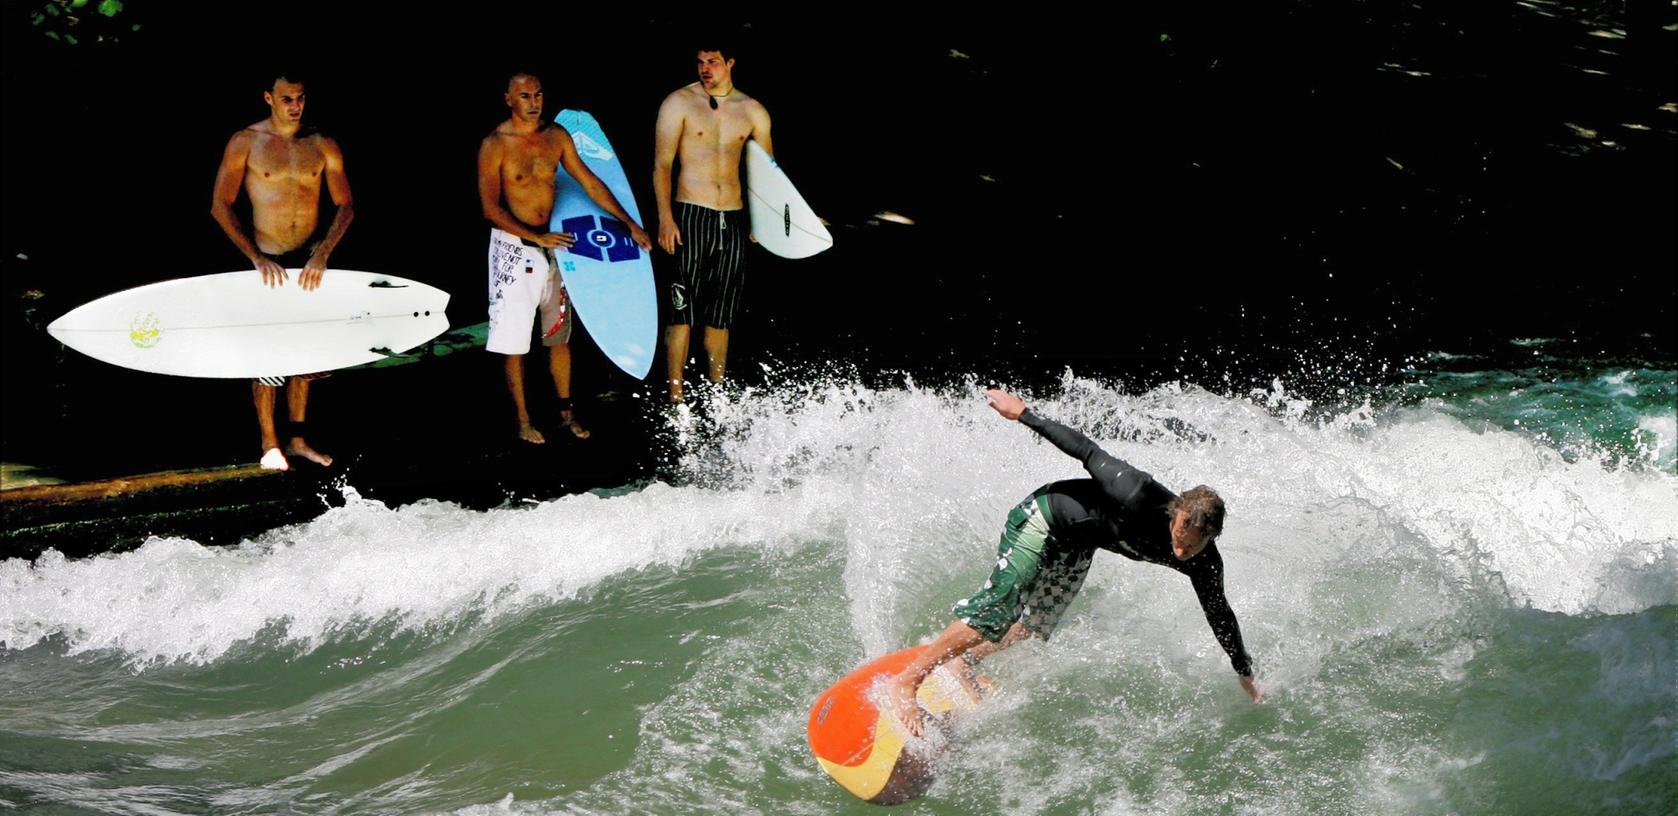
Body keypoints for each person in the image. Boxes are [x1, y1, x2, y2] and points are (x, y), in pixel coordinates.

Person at [888, 389, 1263, 736]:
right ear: (1176, 511)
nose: (1181, 551)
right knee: (997, 613)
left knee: (1031, 629)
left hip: (1078, 545)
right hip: (1043, 517)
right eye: (1179, 538)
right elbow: (1085, 450)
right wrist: (1023, 414)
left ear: (1211, 539)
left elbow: (1220, 613)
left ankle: (962, 660)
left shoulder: (1205, 563)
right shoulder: (1137, 491)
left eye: (1192, 547)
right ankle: (908, 679)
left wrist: (1242, 669)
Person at [479, 72, 651, 443]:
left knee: (558, 335)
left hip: (557, 247)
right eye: (525, 96)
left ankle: (565, 413)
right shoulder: (495, 144)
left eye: (538, 95)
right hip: (514, 249)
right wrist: (536, 236)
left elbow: (589, 182)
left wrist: (629, 224)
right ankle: (523, 420)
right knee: (513, 340)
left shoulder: (556, 136)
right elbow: (490, 208)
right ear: (508, 99)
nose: (534, 102)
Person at [210, 71, 354, 471]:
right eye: (287, 98)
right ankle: (269, 443)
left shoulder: (321, 143)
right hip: (266, 258)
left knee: (306, 354)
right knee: (268, 354)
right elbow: (220, 205)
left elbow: (345, 205)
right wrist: (255, 257)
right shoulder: (247, 142)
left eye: (301, 98)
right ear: (269, 99)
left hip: (308, 259)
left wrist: (322, 254)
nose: (295, 106)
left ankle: (298, 439)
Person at [653, 45, 772, 403]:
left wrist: (762, 222)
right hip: (691, 213)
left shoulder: (752, 110)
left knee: (721, 313)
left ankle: (717, 392)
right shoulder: (679, 102)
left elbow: (767, 173)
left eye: (713, 62)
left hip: (732, 217)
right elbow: (662, 164)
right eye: (700, 62)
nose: (705, 69)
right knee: (682, 311)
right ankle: (676, 397)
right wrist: (665, 218)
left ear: (731, 62)